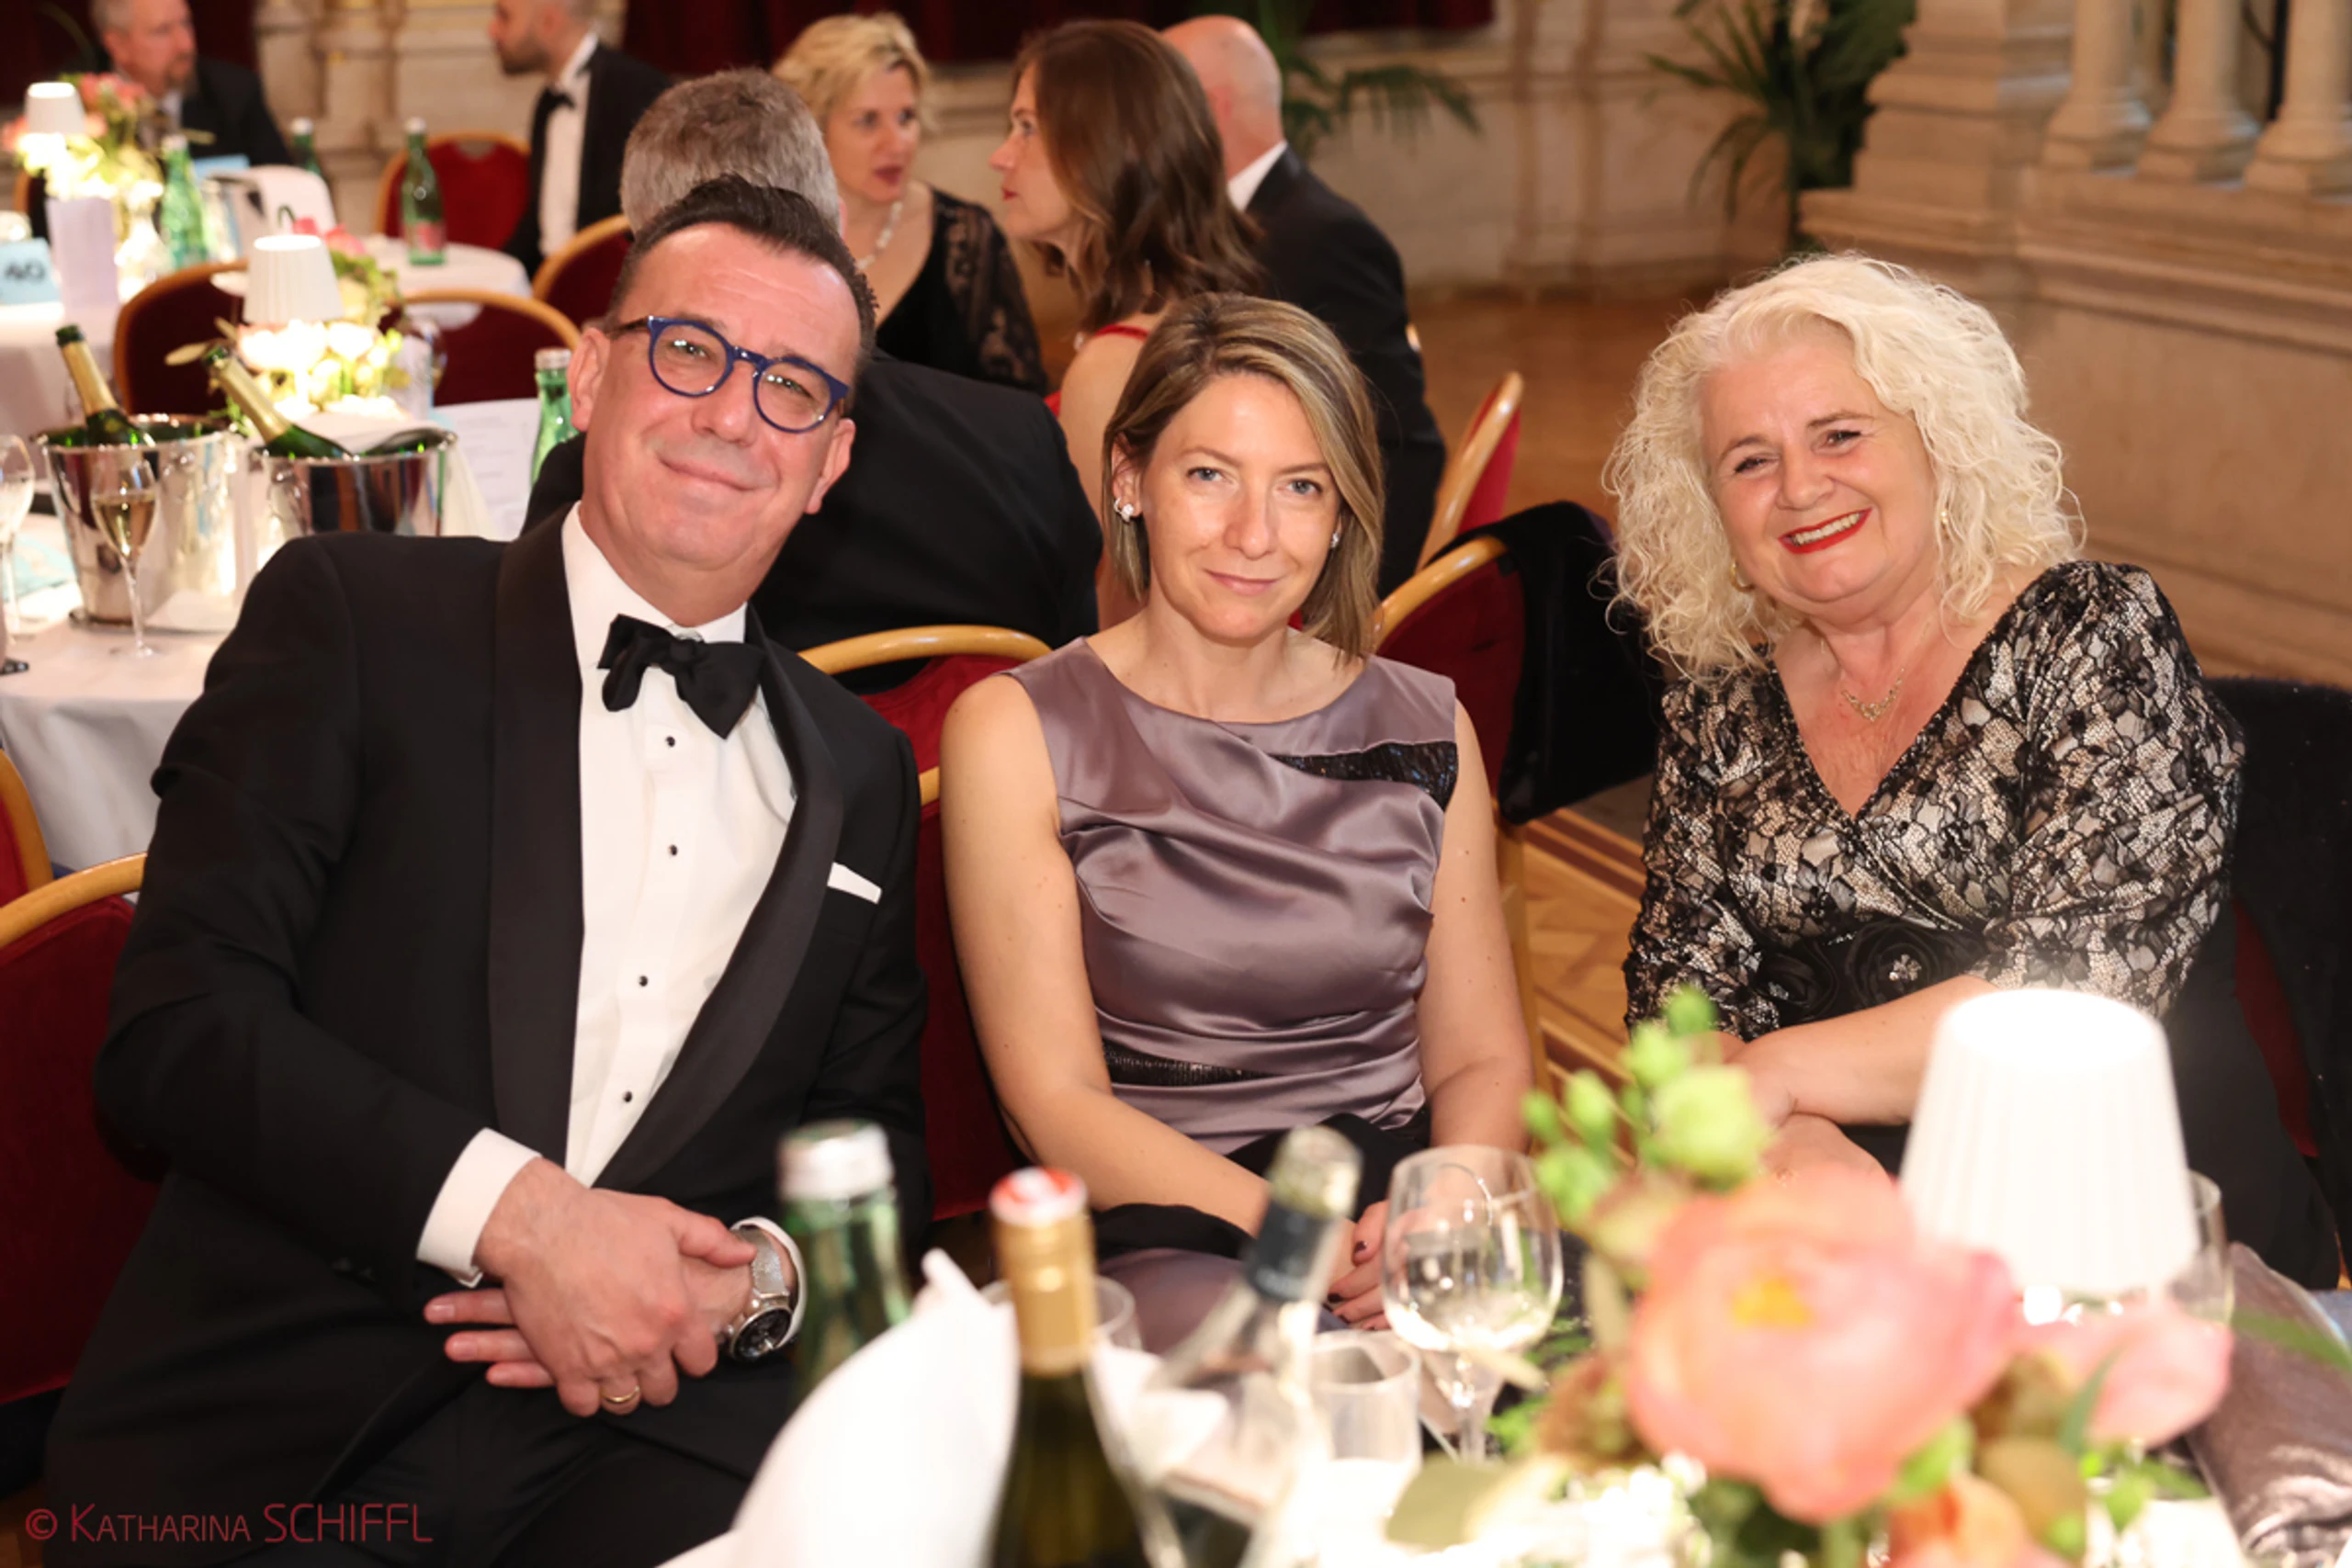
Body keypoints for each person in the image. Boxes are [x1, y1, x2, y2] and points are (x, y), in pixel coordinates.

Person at [42, 177, 930, 1565]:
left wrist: (751, 1284)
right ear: (594, 374)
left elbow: (871, 1147)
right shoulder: (355, 620)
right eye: (690, 352)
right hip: (302, 1429)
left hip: (663, 1432)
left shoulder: (861, 771)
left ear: (832, 460)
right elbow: (179, 1028)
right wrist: (527, 1220)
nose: (731, 415)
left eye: (791, 388)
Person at [1607, 254, 2339, 1285]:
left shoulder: (2089, 635)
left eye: (1840, 434)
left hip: (2135, 1229)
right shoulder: (1719, 706)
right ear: (1712, 507)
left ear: (1937, 441)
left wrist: (1771, 1076)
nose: (1800, 488)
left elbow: (2078, 991)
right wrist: (1791, 1144)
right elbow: (1678, 1003)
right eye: (1750, 461)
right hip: (1832, 1226)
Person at [941, 294, 1532, 1349]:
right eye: (1209, 475)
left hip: (1404, 1199)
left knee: (1615, 1408)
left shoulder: (1425, 723)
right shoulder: (1017, 730)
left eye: (1300, 487)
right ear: (1131, 480)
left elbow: (1482, 1056)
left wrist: (1447, 1201)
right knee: (1288, 1412)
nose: (1253, 535)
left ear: (1342, 511)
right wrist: (1304, 1239)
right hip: (1173, 1214)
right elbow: (1053, 1102)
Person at [524, 70, 1100, 679]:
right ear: (840, 228)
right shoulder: (1021, 441)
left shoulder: (612, 478)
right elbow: (1081, 679)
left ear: (641, 253)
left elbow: (550, 681)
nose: (730, 419)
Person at [987, 19, 1265, 625]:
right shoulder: (1185, 313)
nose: (1001, 156)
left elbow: (1123, 616)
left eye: (1028, 127)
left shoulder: (1114, 364)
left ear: (1107, 149)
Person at [1164, 15, 1448, 597]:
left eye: (1156, 105)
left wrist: (1346, 608)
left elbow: (1401, 444)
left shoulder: (1326, 239)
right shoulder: (1215, 225)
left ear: (1208, 111)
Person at [776, 12, 1046, 394]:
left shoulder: (966, 237)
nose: (897, 143)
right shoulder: (774, 233)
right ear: (814, 128)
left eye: (906, 117)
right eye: (868, 121)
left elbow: (1021, 402)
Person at [492, 0, 669, 278]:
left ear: (549, 23)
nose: (492, 30)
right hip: (550, 282)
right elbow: (541, 223)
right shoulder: (548, 101)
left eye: (504, 17)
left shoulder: (639, 91)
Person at [85, 0, 290, 167]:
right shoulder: (80, 102)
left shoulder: (235, 92)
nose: (186, 44)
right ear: (118, 44)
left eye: (186, 24)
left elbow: (283, 183)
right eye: (162, 31)